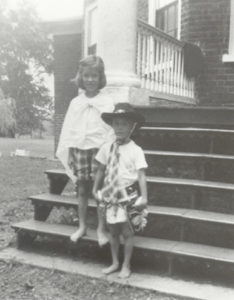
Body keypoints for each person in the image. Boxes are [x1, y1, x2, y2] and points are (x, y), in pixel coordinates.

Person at [56, 55, 114, 246]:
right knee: (82, 190)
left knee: (98, 191)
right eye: (87, 75)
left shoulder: (106, 101)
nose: (90, 80)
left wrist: (106, 154)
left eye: (94, 76)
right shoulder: (76, 102)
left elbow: (110, 130)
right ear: (81, 77)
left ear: (100, 77)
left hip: (98, 151)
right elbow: (70, 128)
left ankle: (101, 228)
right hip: (80, 150)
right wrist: (71, 152)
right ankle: (81, 226)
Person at [92, 102, 148, 278]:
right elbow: (100, 170)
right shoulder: (107, 147)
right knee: (113, 232)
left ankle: (126, 264)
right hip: (110, 195)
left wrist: (144, 197)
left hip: (127, 195)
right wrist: (95, 190)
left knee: (127, 232)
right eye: (116, 124)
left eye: (124, 124)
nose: (119, 128)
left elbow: (141, 175)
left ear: (132, 127)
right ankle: (115, 262)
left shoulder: (136, 150)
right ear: (112, 126)